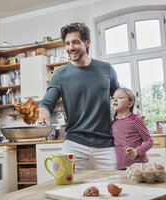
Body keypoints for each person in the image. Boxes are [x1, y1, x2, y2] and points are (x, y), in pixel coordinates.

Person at [37, 22, 120, 171]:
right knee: (66, 184)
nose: (70, 48)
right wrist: (42, 115)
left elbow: (119, 99)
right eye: (67, 43)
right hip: (75, 141)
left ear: (87, 43)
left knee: (113, 185)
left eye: (75, 42)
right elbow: (47, 103)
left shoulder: (106, 69)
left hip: (106, 142)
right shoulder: (60, 75)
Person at [111, 88, 154, 170]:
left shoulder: (136, 119)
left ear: (130, 104)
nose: (115, 99)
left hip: (139, 165)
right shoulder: (113, 123)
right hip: (121, 167)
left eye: (120, 97)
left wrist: (137, 151)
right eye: (113, 98)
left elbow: (149, 141)